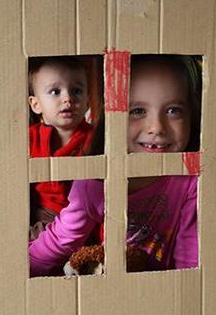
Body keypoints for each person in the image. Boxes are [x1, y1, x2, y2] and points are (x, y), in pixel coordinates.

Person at [29, 54, 201, 277]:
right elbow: (62, 238)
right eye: (138, 111)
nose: (157, 127)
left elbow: (190, 259)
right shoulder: (95, 181)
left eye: (173, 110)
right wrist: (18, 272)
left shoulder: (190, 181)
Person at [29, 57, 95, 228]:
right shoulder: (29, 138)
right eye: (55, 92)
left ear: (87, 101)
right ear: (36, 104)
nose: (68, 98)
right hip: (43, 212)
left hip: (83, 213)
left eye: (77, 91)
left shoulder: (94, 137)